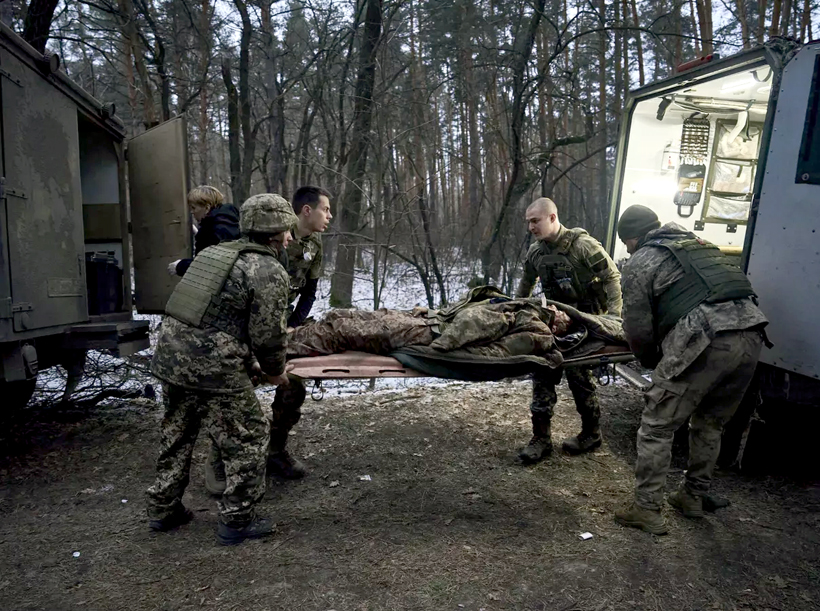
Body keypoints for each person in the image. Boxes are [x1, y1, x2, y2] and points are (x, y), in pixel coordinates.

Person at [147, 193, 296, 546]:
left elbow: (209, 314)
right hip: (212, 364)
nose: (289, 237)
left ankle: (162, 508)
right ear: (275, 232)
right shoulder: (268, 269)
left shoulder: (215, 254)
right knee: (248, 436)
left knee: (177, 432)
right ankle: (237, 518)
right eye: (287, 230)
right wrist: (275, 371)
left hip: (171, 355)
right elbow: (268, 335)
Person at [613, 205, 768, 535]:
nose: (628, 250)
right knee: (711, 422)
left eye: (626, 243)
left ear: (633, 237)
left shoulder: (641, 260)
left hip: (705, 339)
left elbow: (637, 326)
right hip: (752, 335)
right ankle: (692, 496)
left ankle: (647, 509)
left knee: (657, 425)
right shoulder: (700, 244)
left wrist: (649, 362)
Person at [204, 186, 332, 493]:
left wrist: (292, 324)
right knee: (236, 394)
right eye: (325, 209)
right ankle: (218, 462)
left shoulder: (315, 243)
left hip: (277, 324)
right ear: (306, 211)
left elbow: (309, 290)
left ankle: (275, 451)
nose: (329, 216)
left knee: (294, 385)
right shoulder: (271, 235)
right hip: (243, 326)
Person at [514, 198, 622, 463]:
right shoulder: (536, 253)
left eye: (535, 221)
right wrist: (516, 313)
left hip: (586, 321)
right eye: (528, 222)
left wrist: (614, 319)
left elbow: (611, 277)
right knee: (543, 369)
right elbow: (525, 285)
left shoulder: (583, 246)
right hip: (556, 320)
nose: (530, 227)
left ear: (552, 218)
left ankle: (591, 433)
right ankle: (541, 439)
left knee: (579, 377)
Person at [167, 185, 240, 277]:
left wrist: (180, 266)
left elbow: (210, 266)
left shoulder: (215, 230)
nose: (192, 212)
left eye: (193, 208)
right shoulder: (229, 223)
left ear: (207, 208)